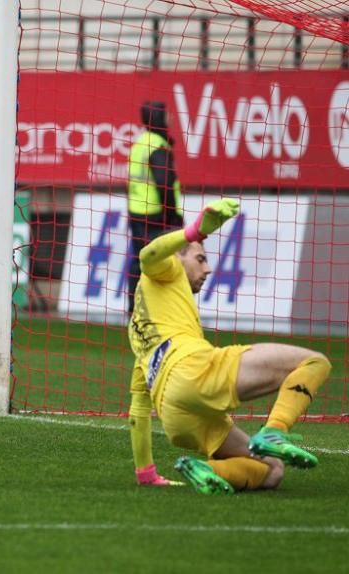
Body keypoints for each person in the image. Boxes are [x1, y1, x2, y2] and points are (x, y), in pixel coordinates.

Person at [127, 199, 331, 494]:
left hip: (175, 416)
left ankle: (206, 469)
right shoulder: (164, 269)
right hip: (194, 370)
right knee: (314, 363)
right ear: (177, 258)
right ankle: (275, 431)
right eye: (200, 259)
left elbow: (139, 409)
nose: (208, 268)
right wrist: (193, 231)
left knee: (272, 471)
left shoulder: (141, 330)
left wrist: (145, 471)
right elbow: (148, 254)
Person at [126, 101, 185, 313]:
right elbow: (165, 184)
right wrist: (172, 217)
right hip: (155, 214)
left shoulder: (140, 143)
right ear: (160, 118)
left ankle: (134, 308)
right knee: (158, 262)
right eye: (167, 114)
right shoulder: (158, 146)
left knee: (138, 260)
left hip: (137, 211)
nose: (171, 118)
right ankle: (154, 308)